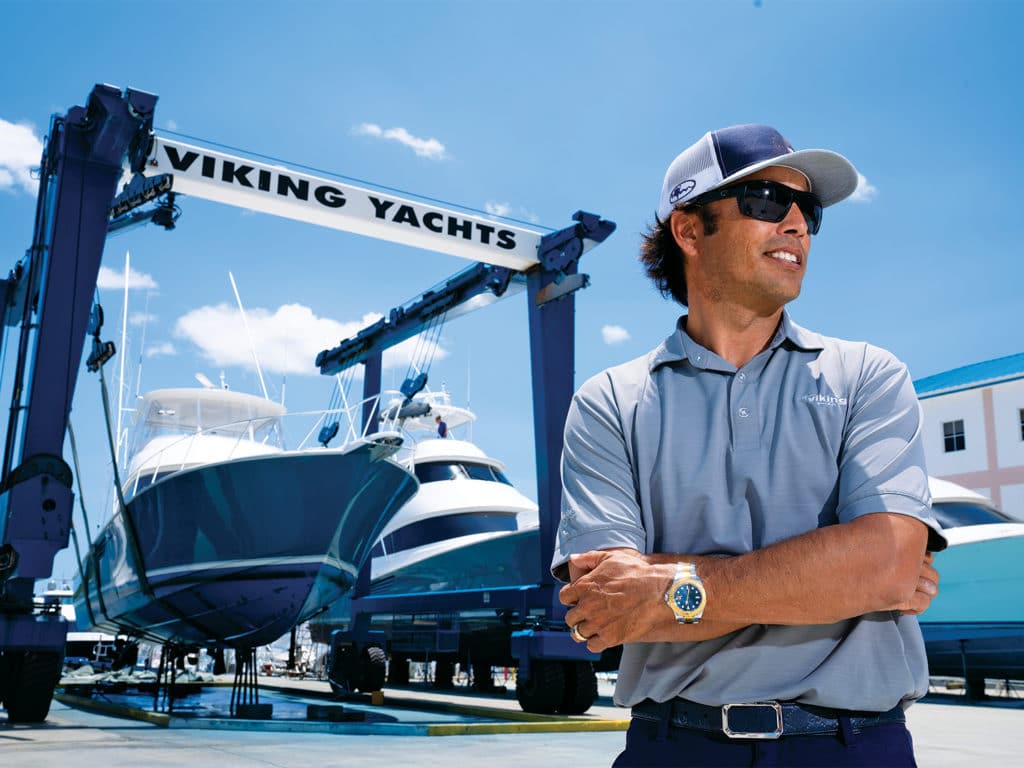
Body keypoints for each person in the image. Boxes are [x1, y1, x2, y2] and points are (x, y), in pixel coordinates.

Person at [554, 124, 946, 767]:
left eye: (808, 211)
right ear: (688, 230)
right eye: (767, 200)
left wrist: (668, 589)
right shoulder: (610, 401)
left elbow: (886, 566)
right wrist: (835, 576)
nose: (796, 223)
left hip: (853, 749)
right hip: (673, 748)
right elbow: (604, 608)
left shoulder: (869, 375)